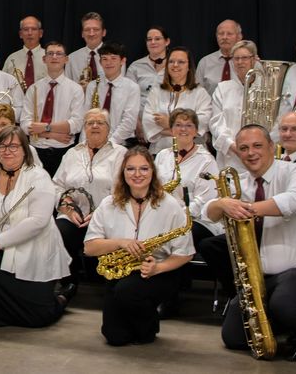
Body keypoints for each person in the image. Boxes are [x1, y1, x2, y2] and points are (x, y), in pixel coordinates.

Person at [201, 124, 296, 360]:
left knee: (285, 303)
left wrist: (245, 208)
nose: (251, 153)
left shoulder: (294, 171)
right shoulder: (241, 181)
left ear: (271, 146)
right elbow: (206, 211)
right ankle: (281, 320)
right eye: (244, 148)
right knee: (234, 338)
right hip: (261, 276)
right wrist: (221, 204)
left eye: (257, 145)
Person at [84, 146, 194, 346]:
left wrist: (157, 268)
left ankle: (149, 326)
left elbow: (185, 254)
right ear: (123, 173)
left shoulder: (171, 205)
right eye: (130, 169)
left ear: (152, 172)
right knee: (114, 337)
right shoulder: (108, 204)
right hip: (120, 271)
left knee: (128, 293)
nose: (137, 174)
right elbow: (89, 248)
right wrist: (121, 242)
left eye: (144, 169)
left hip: (159, 272)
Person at [0, 126, 71, 331]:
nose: (7, 151)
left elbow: (38, 221)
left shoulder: (39, 176)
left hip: (33, 248)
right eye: (2, 146)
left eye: (13, 146)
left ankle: (60, 298)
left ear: (25, 150)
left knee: (38, 319)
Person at [52, 109, 128, 295]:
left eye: (100, 123)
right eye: (90, 123)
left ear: (108, 128)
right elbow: (56, 186)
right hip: (74, 216)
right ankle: (68, 283)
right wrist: (67, 207)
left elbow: (123, 191)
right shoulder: (72, 153)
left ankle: (109, 285)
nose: (95, 126)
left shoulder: (121, 153)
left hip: (108, 217)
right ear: (84, 128)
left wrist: (99, 214)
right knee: (58, 231)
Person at [154, 109, 220, 249]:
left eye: (189, 125)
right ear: (171, 130)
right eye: (178, 125)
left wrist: (176, 217)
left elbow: (204, 201)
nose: (183, 129)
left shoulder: (206, 160)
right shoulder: (162, 155)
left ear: (196, 131)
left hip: (197, 220)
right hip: (163, 217)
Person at [22, 41, 84, 176]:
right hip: (36, 150)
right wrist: (52, 134)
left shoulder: (76, 90)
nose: (54, 57)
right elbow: (24, 124)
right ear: (44, 59)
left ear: (66, 59)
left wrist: (44, 128)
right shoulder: (33, 89)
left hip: (64, 151)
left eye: (59, 54)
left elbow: (76, 124)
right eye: (50, 53)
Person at [142, 47, 212, 153]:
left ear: (189, 67)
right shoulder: (156, 91)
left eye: (181, 62)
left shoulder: (200, 93)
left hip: (193, 153)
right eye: (171, 62)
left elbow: (202, 123)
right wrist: (185, 129)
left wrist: (169, 123)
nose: (175, 65)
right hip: (160, 151)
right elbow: (148, 121)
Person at [209, 40, 259, 171]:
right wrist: (233, 146)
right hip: (230, 157)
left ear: (254, 60)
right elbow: (216, 124)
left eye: (244, 58)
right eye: (236, 58)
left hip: (260, 157)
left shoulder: (265, 89)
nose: (240, 62)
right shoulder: (222, 88)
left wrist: (255, 149)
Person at [83, 43, 141, 147]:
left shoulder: (132, 88)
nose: (109, 63)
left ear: (122, 61)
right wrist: (85, 143)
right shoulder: (93, 86)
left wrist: (109, 143)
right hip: (93, 142)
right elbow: (86, 117)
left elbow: (129, 122)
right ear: (100, 62)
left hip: (120, 143)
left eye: (113, 58)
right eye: (104, 59)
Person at [126, 26, 171, 145]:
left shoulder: (175, 66)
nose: (153, 42)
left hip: (167, 129)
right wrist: (137, 125)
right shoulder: (135, 67)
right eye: (149, 39)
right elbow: (128, 99)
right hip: (140, 128)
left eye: (157, 39)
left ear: (167, 41)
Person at [196, 20, 244, 95]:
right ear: (216, 36)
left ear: (239, 37)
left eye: (229, 33)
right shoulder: (205, 62)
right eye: (221, 33)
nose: (224, 37)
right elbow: (197, 94)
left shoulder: (248, 62)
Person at [2, 15, 46, 90]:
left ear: (41, 33)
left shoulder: (50, 58)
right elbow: (3, 84)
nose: (30, 33)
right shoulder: (11, 59)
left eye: (34, 29)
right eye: (26, 29)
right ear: (20, 34)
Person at [66, 12, 107, 87]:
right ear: (82, 34)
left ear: (104, 32)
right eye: (87, 29)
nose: (91, 34)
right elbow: (68, 88)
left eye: (96, 29)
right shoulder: (71, 58)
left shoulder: (115, 56)